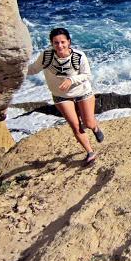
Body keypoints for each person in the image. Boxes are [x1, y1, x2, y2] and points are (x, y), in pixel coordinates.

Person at [27, 27, 104, 164]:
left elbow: (87, 75)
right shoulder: (46, 56)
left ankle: (95, 128)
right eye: (56, 43)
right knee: (75, 126)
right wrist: (14, 69)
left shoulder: (78, 56)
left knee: (88, 123)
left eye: (63, 42)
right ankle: (90, 152)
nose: (60, 45)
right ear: (52, 44)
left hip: (82, 92)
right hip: (61, 96)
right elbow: (33, 69)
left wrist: (71, 80)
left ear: (69, 42)